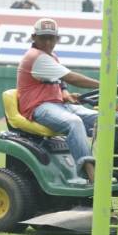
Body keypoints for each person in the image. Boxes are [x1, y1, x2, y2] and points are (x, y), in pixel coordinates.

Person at [17, 18, 101, 184]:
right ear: (34, 37)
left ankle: (112, 167)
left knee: (103, 119)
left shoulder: (51, 56)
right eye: (43, 38)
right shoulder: (36, 57)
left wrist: (65, 93)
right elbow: (70, 77)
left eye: (51, 38)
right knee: (74, 122)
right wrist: (105, 85)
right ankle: (91, 175)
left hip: (59, 105)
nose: (48, 42)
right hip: (39, 108)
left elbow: (61, 82)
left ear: (57, 39)